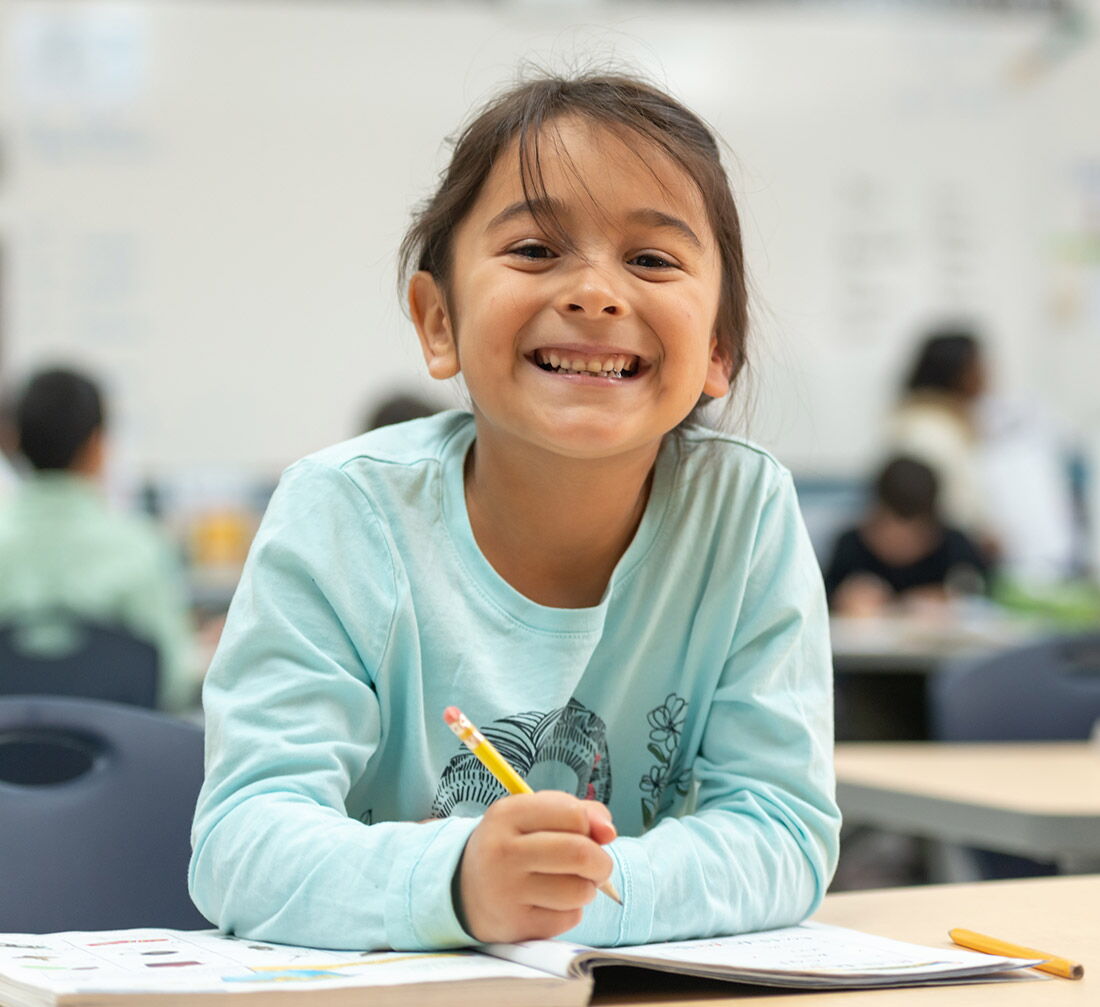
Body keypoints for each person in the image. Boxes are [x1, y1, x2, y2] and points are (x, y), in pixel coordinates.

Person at [190, 71, 840, 952]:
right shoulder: (343, 512)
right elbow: (242, 841)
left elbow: (782, 828)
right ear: (437, 321)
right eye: (536, 250)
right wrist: (457, 885)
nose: (595, 293)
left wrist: (578, 890)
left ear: (718, 347)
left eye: (651, 259)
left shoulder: (743, 511)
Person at [0, 367, 197, 712]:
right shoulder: (139, 547)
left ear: (13, 440)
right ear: (97, 444)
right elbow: (172, 683)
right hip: (118, 759)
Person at [823, 455, 991, 615]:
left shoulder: (954, 546)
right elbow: (824, 596)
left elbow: (984, 590)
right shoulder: (850, 546)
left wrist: (949, 599)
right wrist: (843, 598)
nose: (901, 542)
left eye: (914, 533)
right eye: (891, 530)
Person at [888, 327, 989, 542]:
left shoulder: (955, 422)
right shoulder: (924, 429)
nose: (985, 374)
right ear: (955, 373)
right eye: (977, 366)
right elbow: (928, 507)